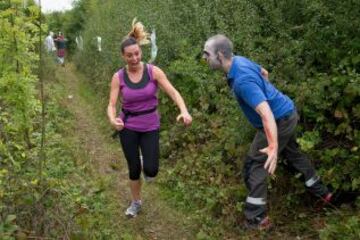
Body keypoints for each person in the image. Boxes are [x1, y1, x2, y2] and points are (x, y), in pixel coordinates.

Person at [202, 34, 334, 230]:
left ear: (220, 55)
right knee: (294, 155)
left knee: (255, 164)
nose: (204, 58)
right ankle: (324, 194)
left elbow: (266, 114)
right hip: (287, 113)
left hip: (279, 120)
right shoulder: (238, 61)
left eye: (207, 54)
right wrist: (267, 91)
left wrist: (272, 146)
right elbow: (264, 72)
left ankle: (257, 219)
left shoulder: (242, 80)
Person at [107, 20, 192, 217]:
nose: (134, 58)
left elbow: (173, 92)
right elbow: (111, 104)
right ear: (123, 56)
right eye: (129, 55)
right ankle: (136, 202)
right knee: (134, 168)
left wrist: (184, 110)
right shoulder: (118, 77)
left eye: (137, 54)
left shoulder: (153, 72)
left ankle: (147, 161)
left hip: (150, 125)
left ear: (140, 52)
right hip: (127, 126)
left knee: (151, 171)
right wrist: (113, 119)